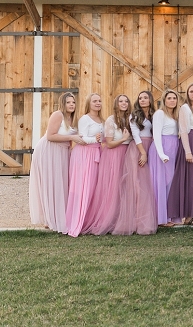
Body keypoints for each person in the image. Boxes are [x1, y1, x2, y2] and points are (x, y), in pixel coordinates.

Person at [29, 92, 82, 234]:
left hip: (63, 152)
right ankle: (49, 218)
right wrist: (73, 137)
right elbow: (51, 136)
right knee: (50, 183)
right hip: (49, 151)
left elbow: (73, 138)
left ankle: (60, 215)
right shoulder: (58, 115)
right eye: (68, 102)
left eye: (73, 102)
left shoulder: (74, 118)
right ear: (63, 104)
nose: (71, 105)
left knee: (61, 184)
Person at [83, 94, 132, 235]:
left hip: (127, 154)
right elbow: (109, 144)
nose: (124, 103)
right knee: (113, 187)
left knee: (125, 187)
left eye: (126, 101)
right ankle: (108, 221)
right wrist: (123, 139)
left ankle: (122, 219)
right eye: (121, 101)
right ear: (116, 104)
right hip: (114, 155)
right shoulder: (111, 120)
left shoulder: (130, 119)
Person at [113, 90, 158, 235]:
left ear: (150, 100)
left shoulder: (154, 115)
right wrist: (143, 153)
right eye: (140, 98)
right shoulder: (134, 115)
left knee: (150, 184)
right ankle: (137, 222)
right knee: (138, 185)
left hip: (151, 147)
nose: (143, 100)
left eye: (145, 98)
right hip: (138, 149)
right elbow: (136, 135)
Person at [168, 83, 193, 224]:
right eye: (191, 91)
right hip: (192, 142)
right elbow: (183, 130)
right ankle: (189, 213)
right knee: (191, 179)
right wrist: (188, 151)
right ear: (187, 94)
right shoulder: (185, 108)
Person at [65, 93, 104, 237]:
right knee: (82, 187)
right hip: (83, 155)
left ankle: (90, 219)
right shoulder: (85, 119)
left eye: (99, 101)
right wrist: (95, 139)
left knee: (93, 188)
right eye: (94, 101)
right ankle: (76, 221)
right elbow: (81, 138)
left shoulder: (102, 120)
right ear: (89, 103)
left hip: (96, 154)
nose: (98, 103)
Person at [148, 89, 180, 227]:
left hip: (174, 148)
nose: (172, 100)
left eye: (174, 98)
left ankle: (170, 215)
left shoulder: (176, 115)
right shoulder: (160, 114)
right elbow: (156, 134)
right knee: (162, 182)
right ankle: (161, 218)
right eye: (169, 98)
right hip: (162, 148)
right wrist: (161, 154)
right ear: (164, 100)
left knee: (171, 182)